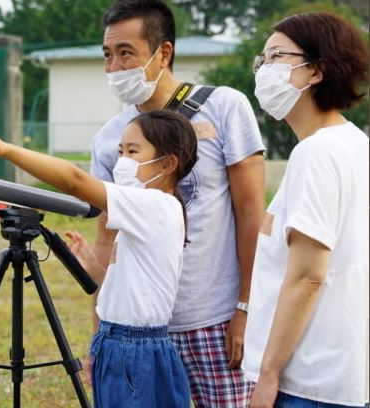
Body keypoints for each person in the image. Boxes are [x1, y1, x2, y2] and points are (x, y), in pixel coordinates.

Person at [0, 109, 198, 407]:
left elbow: (73, 180)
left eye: (133, 151)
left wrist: (3, 149)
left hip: (133, 349)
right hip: (125, 343)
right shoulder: (152, 211)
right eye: (120, 151)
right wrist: (97, 270)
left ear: (168, 163)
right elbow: (136, 291)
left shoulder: (155, 205)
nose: (122, 161)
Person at [89, 1, 266, 406]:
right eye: (108, 55)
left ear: (163, 53)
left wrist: (246, 308)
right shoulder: (109, 139)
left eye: (126, 53)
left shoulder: (224, 107)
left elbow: (251, 214)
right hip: (141, 335)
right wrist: (99, 331)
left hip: (214, 322)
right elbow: (107, 242)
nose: (114, 68)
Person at [242, 12, 369, 408]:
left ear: (316, 71)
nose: (264, 70)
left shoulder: (316, 152)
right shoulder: (355, 143)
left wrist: (268, 374)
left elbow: (308, 276)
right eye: (260, 60)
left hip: (309, 382)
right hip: (345, 372)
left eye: (276, 56)